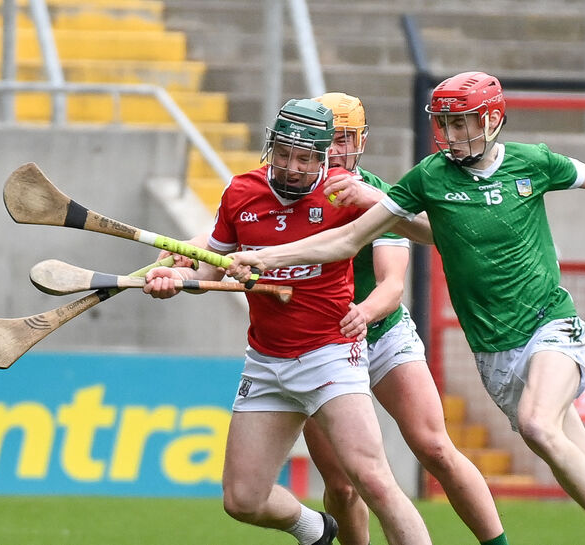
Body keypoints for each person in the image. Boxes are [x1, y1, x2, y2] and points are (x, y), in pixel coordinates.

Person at [224, 72, 585, 545]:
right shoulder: (416, 179)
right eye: (443, 123)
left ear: (491, 120)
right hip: (484, 350)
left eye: (460, 122)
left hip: (502, 328)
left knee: (496, 435)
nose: (450, 133)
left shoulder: (516, 165)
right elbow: (372, 239)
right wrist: (249, 260)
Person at [143, 98, 433, 545]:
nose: (292, 166)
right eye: (283, 153)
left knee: (372, 480)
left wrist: (381, 201)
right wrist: (175, 278)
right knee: (242, 499)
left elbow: (432, 232)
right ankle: (315, 528)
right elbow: (210, 267)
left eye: (304, 157)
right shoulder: (241, 192)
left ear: (322, 157)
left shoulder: (345, 193)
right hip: (266, 361)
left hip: (331, 355)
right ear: (270, 147)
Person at [300, 92, 509, 545]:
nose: (335, 149)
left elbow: (392, 287)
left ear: (361, 140)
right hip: (318, 348)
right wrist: (184, 260)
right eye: (326, 139)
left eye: (344, 138)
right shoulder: (289, 190)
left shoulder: (382, 194)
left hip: (381, 334)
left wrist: (363, 314)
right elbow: (230, 225)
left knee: (436, 448)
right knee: (340, 485)